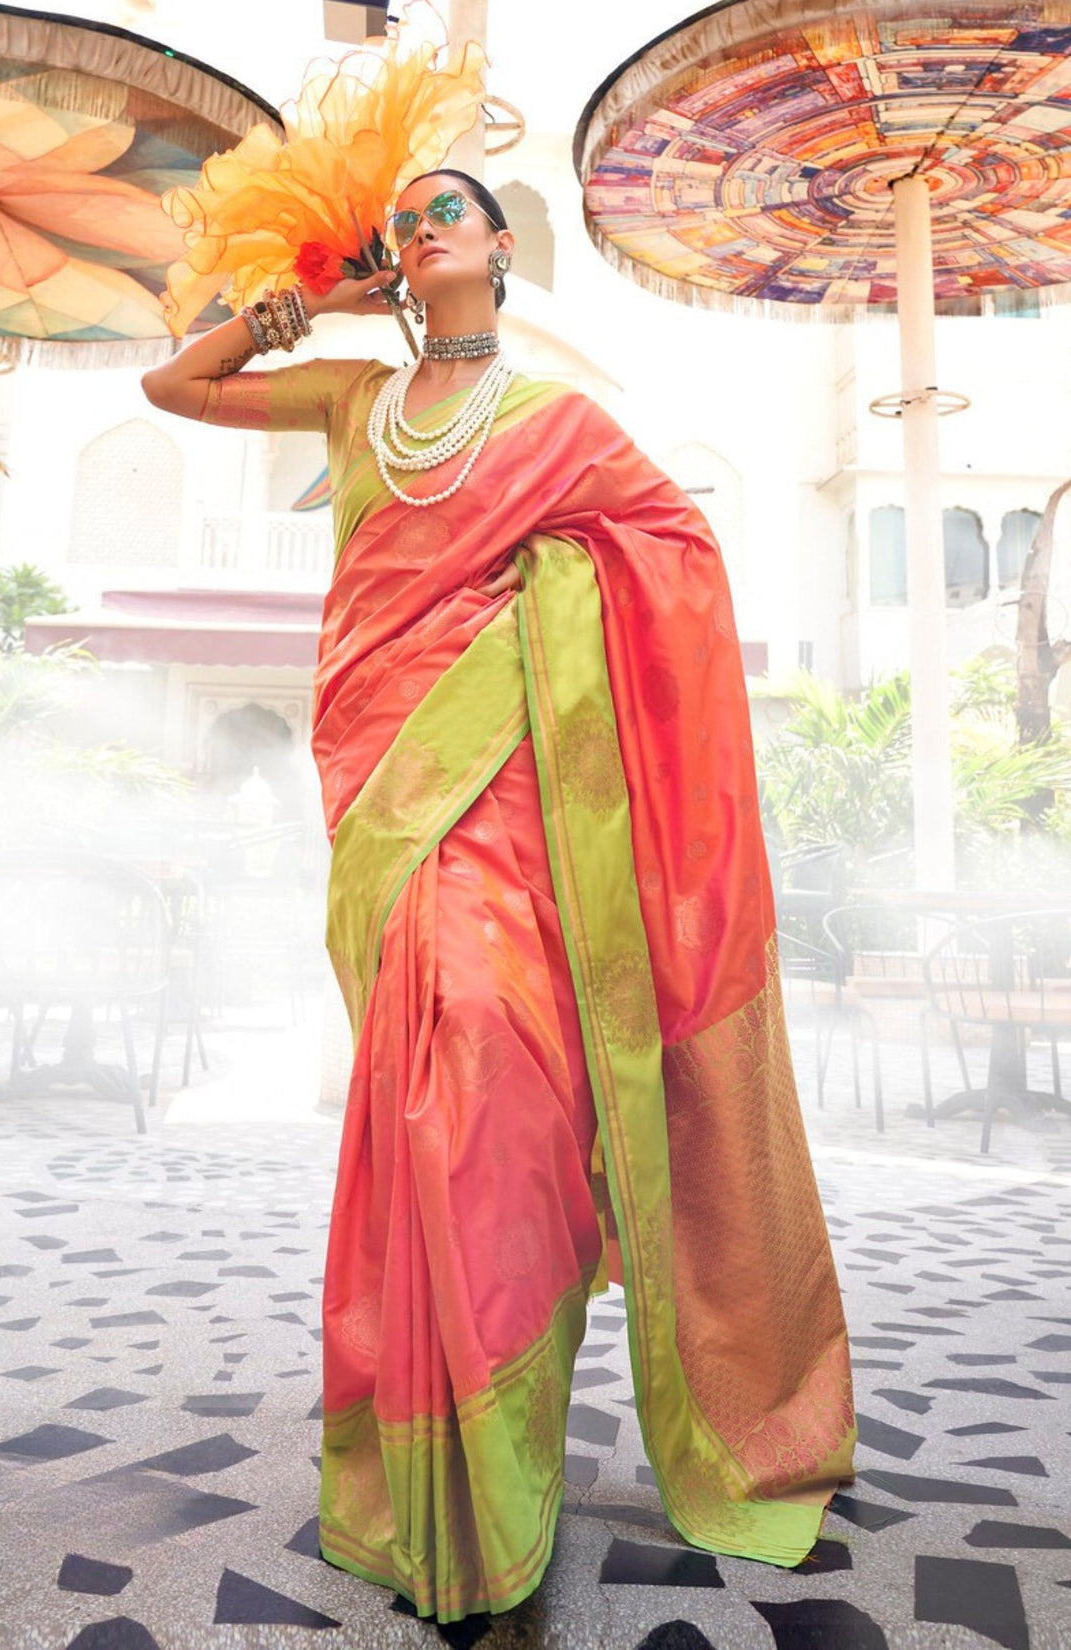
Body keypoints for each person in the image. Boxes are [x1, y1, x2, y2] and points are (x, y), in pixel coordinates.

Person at [142, 168, 856, 1626]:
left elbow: (677, 551)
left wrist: (554, 600)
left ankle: (503, 1457)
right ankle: (449, 1468)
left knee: (494, 1073)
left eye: (447, 212)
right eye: (403, 221)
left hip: (517, 802)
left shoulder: (556, 424)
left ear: (502, 245)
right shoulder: (353, 400)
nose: (422, 231)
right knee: (423, 1089)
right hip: (385, 796)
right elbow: (173, 387)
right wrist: (306, 307)